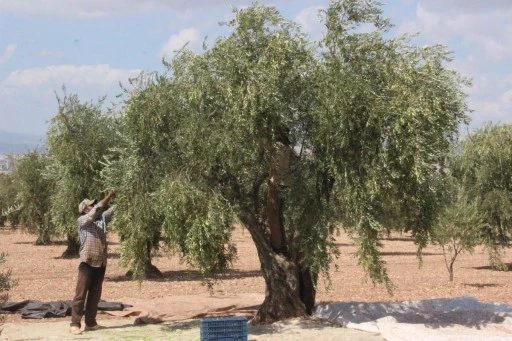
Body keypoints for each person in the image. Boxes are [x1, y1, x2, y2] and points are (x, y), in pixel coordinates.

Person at [70, 190, 115, 335]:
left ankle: (90, 322)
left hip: (101, 263)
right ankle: (75, 324)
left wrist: (125, 195)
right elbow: (96, 210)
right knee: (80, 295)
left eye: (93, 204)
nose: (94, 205)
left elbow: (112, 211)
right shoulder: (82, 221)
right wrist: (108, 197)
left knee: (95, 295)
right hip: (87, 263)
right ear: (85, 209)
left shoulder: (101, 219)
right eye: (91, 205)